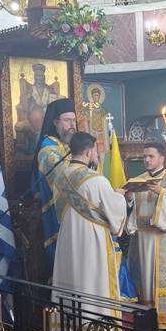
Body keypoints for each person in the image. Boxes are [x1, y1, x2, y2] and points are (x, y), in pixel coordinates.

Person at [50, 133, 128, 316]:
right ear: (88, 151)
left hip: (67, 238)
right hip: (91, 240)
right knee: (92, 281)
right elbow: (114, 211)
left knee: (71, 279)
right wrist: (119, 196)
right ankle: (93, 327)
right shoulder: (96, 180)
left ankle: (70, 327)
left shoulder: (59, 178)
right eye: (95, 151)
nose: (97, 155)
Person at [126, 142, 166, 330]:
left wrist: (162, 193)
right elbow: (132, 210)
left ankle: (164, 322)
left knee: (160, 279)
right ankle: (147, 318)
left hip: (161, 237)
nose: (147, 160)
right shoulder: (138, 180)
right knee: (143, 278)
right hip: (141, 237)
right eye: (144, 157)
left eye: (151, 156)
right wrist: (129, 199)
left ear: (162, 158)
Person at [35, 99, 76, 274]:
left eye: (74, 120)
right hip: (58, 212)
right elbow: (64, 179)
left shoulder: (67, 145)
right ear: (55, 122)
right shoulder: (48, 148)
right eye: (67, 120)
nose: (72, 125)